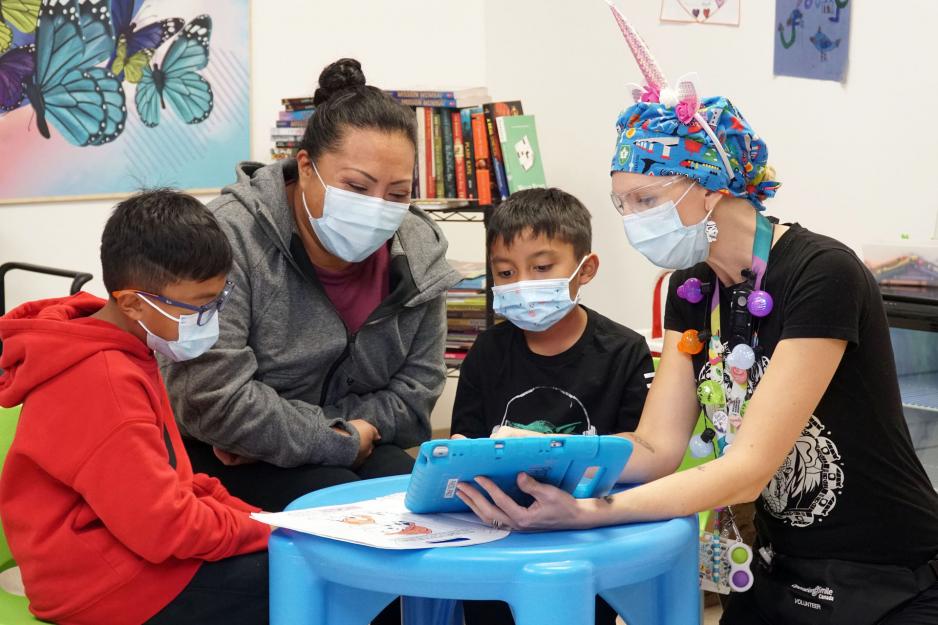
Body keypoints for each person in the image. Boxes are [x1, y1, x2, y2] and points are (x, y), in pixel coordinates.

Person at [455, 7, 938, 625]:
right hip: (777, 570)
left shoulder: (822, 274)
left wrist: (591, 512)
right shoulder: (691, 289)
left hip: (886, 577)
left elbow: (746, 470)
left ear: (710, 185)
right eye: (621, 203)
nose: (632, 220)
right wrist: (534, 459)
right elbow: (658, 445)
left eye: (646, 200)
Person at [161, 58, 460, 513]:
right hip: (229, 453)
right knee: (339, 504)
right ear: (305, 167)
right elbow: (213, 399)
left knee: (410, 498)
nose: (378, 207)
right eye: (357, 187)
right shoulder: (228, 239)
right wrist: (338, 439)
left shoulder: (419, 254)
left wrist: (335, 436)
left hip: (349, 440)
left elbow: (415, 397)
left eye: (397, 194)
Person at [0, 190, 270, 625]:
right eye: (200, 304)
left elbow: (171, 484)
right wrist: (269, 532)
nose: (211, 316)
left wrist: (261, 519)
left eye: (218, 298)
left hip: (120, 554)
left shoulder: (124, 345)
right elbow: (165, 526)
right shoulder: (100, 379)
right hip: (100, 585)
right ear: (130, 302)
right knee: (301, 579)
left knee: (289, 558)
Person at [451, 187, 654, 624]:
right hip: (495, 531)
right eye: (505, 273)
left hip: (584, 534)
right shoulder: (487, 351)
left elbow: (637, 454)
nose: (522, 284)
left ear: (586, 269)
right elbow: (463, 444)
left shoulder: (623, 351)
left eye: (542, 267)